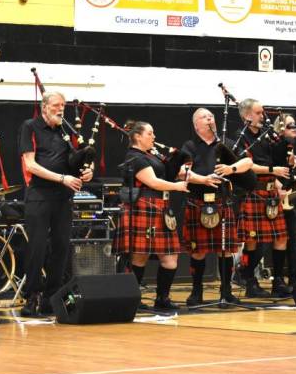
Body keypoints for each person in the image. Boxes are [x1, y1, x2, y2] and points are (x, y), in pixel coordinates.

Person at [18, 91, 93, 317]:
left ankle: (52, 298)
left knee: (61, 248)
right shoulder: (30, 126)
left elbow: (74, 161)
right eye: (56, 105)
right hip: (39, 196)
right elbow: (30, 165)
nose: (61, 109)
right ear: (44, 107)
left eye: (63, 105)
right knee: (37, 248)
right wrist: (62, 178)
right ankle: (31, 298)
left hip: (63, 197)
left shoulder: (64, 131)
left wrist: (87, 171)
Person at [112, 121, 189, 311]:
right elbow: (153, 182)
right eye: (150, 133)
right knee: (139, 257)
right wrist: (177, 187)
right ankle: (132, 298)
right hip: (144, 207)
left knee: (170, 258)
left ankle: (162, 298)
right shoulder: (134, 157)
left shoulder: (151, 155)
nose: (154, 137)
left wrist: (181, 164)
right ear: (138, 136)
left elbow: (169, 175)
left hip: (161, 208)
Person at [180, 108, 252, 306]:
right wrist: (203, 179)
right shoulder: (190, 146)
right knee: (198, 251)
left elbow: (248, 162)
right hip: (198, 202)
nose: (209, 118)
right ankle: (196, 292)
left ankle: (227, 291)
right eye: (204, 117)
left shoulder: (226, 144)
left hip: (222, 202)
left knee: (226, 250)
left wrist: (232, 168)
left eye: (211, 116)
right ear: (196, 126)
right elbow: (181, 172)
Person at [236, 99, 290, 297]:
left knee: (281, 237)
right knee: (252, 240)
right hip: (253, 192)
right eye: (258, 113)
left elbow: (274, 160)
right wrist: (272, 170)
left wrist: (277, 182)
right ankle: (250, 282)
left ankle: (278, 282)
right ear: (247, 116)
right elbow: (247, 164)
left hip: (271, 193)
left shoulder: (267, 137)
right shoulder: (240, 137)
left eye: (262, 112)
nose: (263, 116)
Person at [273, 114, 296, 286]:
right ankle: (246, 274)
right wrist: (277, 184)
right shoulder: (275, 145)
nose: (295, 128)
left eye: (295, 124)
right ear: (281, 128)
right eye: (290, 125)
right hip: (272, 197)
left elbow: (289, 175)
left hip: (286, 200)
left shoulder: (291, 147)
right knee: (273, 240)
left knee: (294, 238)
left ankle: (294, 276)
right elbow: (270, 168)